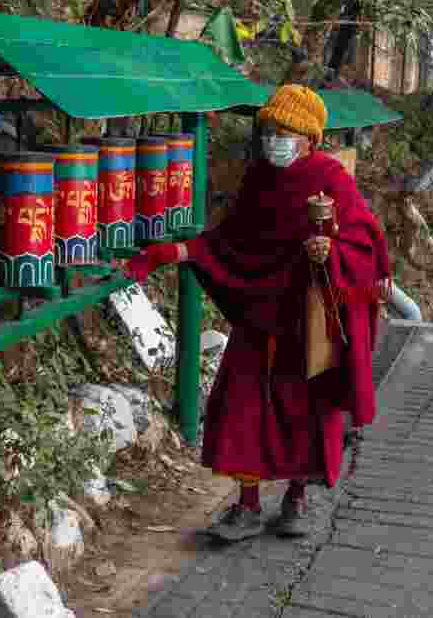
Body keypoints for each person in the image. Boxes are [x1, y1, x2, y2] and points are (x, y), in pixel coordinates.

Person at [125, 85, 391, 541]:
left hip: (308, 320)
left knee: (308, 412)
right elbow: (232, 240)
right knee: (241, 407)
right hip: (260, 316)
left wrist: (330, 252)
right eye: (269, 130)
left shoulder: (330, 178)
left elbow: (366, 242)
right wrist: (178, 251)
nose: (274, 139)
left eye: (284, 131)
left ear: (311, 138)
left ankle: (296, 500)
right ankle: (247, 506)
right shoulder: (258, 178)